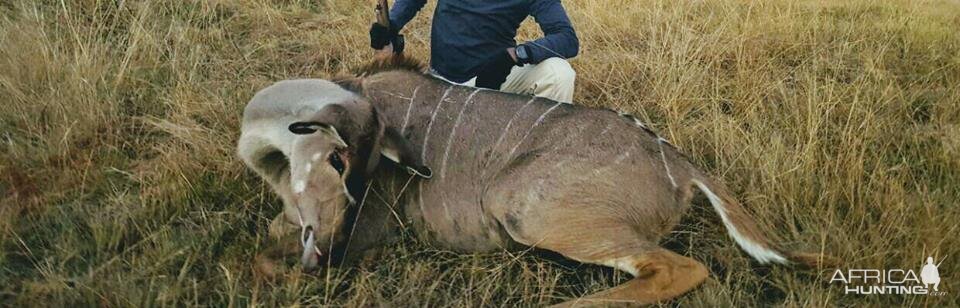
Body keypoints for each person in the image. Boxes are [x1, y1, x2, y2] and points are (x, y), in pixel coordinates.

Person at [370, 0, 579, 103]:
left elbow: (566, 38)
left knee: (559, 74)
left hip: (493, 81)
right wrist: (391, 25)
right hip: (440, 82)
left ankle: (537, 158)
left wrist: (516, 55)